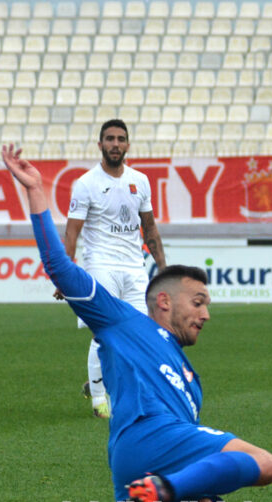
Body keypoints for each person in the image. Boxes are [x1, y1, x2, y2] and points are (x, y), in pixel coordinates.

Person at [2, 144, 272, 502]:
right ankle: (166, 488)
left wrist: (199, 497)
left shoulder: (191, 380)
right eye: (199, 302)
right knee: (266, 464)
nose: (207, 314)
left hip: (135, 489)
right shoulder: (122, 320)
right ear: (164, 302)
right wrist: (36, 191)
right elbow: (58, 264)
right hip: (152, 446)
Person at [59, 119, 166, 419]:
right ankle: (98, 400)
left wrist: (165, 270)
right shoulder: (86, 184)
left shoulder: (140, 181)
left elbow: (150, 228)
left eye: (120, 139)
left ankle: (106, 382)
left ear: (128, 144)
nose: (115, 144)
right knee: (106, 332)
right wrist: (64, 275)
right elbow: (72, 233)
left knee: (136, 335)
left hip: (134, 268)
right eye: (109, 139)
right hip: (100, 266)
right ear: (100, 145)